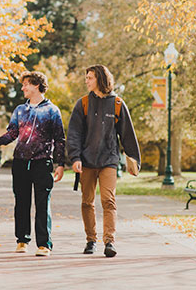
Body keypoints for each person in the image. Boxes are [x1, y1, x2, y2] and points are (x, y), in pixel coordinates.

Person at [0, 71, 65, 257]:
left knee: (42, 203)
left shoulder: (52, 110)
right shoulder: (20, 110)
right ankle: (22, 240)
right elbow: (12, 133)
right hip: (20, 162)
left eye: (26, 84)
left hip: (42, 163)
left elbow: (60, 139)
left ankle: (44, 244)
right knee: (21, 202)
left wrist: (60, 163)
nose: (23, 88)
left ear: (36, 85)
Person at [67, 65, 141, 258]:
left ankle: (109, 241)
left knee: (108, 200)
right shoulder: (82, 104)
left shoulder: (117, 103)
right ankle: (91, 240)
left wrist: (135, 160)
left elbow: (127, 135)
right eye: (87, 77)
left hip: (109, 160)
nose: (87, 81)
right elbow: (74, 134)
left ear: (100, 79)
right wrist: (75, 157)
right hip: (87, 161)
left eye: (90, 78)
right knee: (87, 202)